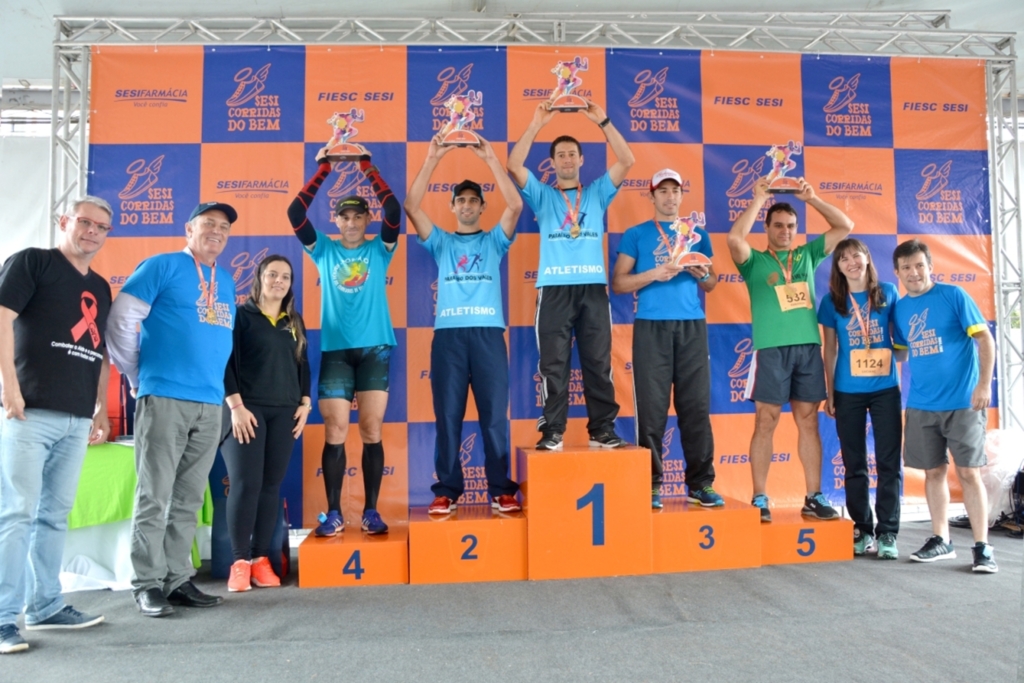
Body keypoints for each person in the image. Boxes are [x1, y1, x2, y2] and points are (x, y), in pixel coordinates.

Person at [107, 201, 238, 617]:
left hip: (209, 403)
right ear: (188, 229)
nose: (216, 231)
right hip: (164, 397)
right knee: (154, 495)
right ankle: (147, 583)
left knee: (188, 498)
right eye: (208, 224)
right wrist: (137, 375)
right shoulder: (162, 265)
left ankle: (178, 579)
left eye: (223, 227)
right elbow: (120, 321)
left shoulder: (228, 280)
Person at [0, 197, 113, 654]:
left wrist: (100, 406)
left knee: (52, 516)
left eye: (101, 226)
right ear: (64, 222)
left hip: (75, 419)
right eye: (84, 222)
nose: (91, 231)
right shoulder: (33, 263)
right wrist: (9, 388)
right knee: (16, 515)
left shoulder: (102, 288)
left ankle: (46, 604)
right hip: (28, 412)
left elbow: (99, 351)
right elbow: (2, 321)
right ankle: (4, 618)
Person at [507, 99, 635, 451]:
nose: (566, 160)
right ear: (552, 163)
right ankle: (553, 431)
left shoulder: (596, 192)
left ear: (581, 160)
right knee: (554, 364)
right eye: (560, 155)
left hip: (593, 289)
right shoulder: (542, 196)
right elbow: (513, 164)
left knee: (598, 362)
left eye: (571, 154)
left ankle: (602, 430)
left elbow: (627, 161)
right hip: (553, 290)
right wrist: (536, 123)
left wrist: (603, 121)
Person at [405, 135, 523, 515]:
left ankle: (501, 490)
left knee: (493, 419)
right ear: (453, 206)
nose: (468, 205)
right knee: (449, 418)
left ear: (482, 206)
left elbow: (517, 204)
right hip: (449, 339)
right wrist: (431, 158)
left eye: (474, 200)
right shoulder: (441, 242)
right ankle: (447, 491)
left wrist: (490, 159)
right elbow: (410, 205)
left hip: (488, 336)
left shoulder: (494, 242)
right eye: (461, 200)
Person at [287, 149, 401, 536]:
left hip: (375, 349)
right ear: (335, 221)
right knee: (335, 428)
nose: (351, 222)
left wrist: (367, 166)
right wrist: (324, 170)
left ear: (367, 220)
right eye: (344, 216)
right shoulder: (324, 248)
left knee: (371, 429)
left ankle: (370, 511)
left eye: (358, 216)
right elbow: (295, 215)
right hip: (336, 350)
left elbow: (395, 212)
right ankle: (334, 513)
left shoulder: (378, 249)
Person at [726, 177, 853, 522]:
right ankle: (759, 498)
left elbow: (845, 226)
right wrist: (757, 198)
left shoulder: (807, 255)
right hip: (770, 351)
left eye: (791, 226)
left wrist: (812, 199)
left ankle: (813, 496)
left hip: (808, 349)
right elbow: (735, 239)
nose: (785, 231)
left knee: (808, 422)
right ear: (766, 227)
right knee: (765, 422)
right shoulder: (753, 261)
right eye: (778, 225)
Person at [612, 169, 723, 510]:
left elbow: (712, 283)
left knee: (696, 408)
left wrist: (702, 272)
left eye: (675, 190)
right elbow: (619, 283)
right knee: (652, 409)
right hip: (651, 328)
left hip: (691, 327)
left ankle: (700, 484)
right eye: (663, 191)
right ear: (651, 196)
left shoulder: (697, 234)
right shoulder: (637, 234)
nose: (670, 197)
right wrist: (653, 274)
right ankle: (650, 484)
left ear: (681, 195)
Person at [892, 239, 997, 573]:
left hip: (963, 402)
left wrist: (983, 385)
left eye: (919, 265)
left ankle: (982, 547)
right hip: (922, 405)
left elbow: (985, 339)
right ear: (897, 273)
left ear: (930, 266)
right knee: (933, 472)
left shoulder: (954, 295)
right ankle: (942, 540)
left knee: (968, 472)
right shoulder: (900, 309)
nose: (914, 273)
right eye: (906, 267)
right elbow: (901, 353)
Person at [221, 255, 311, 592]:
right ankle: (240, 562)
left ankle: (260, 560)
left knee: (271, 486)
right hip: (246, 410)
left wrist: (305, 402)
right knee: (246, 485)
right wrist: (236, 405)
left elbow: (302, 364)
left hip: (285, 412)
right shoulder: (240, 316)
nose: (279, 281)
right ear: (259, 278)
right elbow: (224, 361)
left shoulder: (293, 320)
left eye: (285, 277)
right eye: (272, 274)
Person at [818, 239, 902, 559]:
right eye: (843, 259)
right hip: (847, 391)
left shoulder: (888, 293)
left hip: (884, 389)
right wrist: (829, 392)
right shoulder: (832, 302)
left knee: (888, 461)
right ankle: (862, 527)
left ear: (867, 258)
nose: (851, 262)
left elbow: (902, 339)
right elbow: (830, 349)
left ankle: (888, 532)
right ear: (837, 267)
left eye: (856, 255)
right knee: (854, 463)